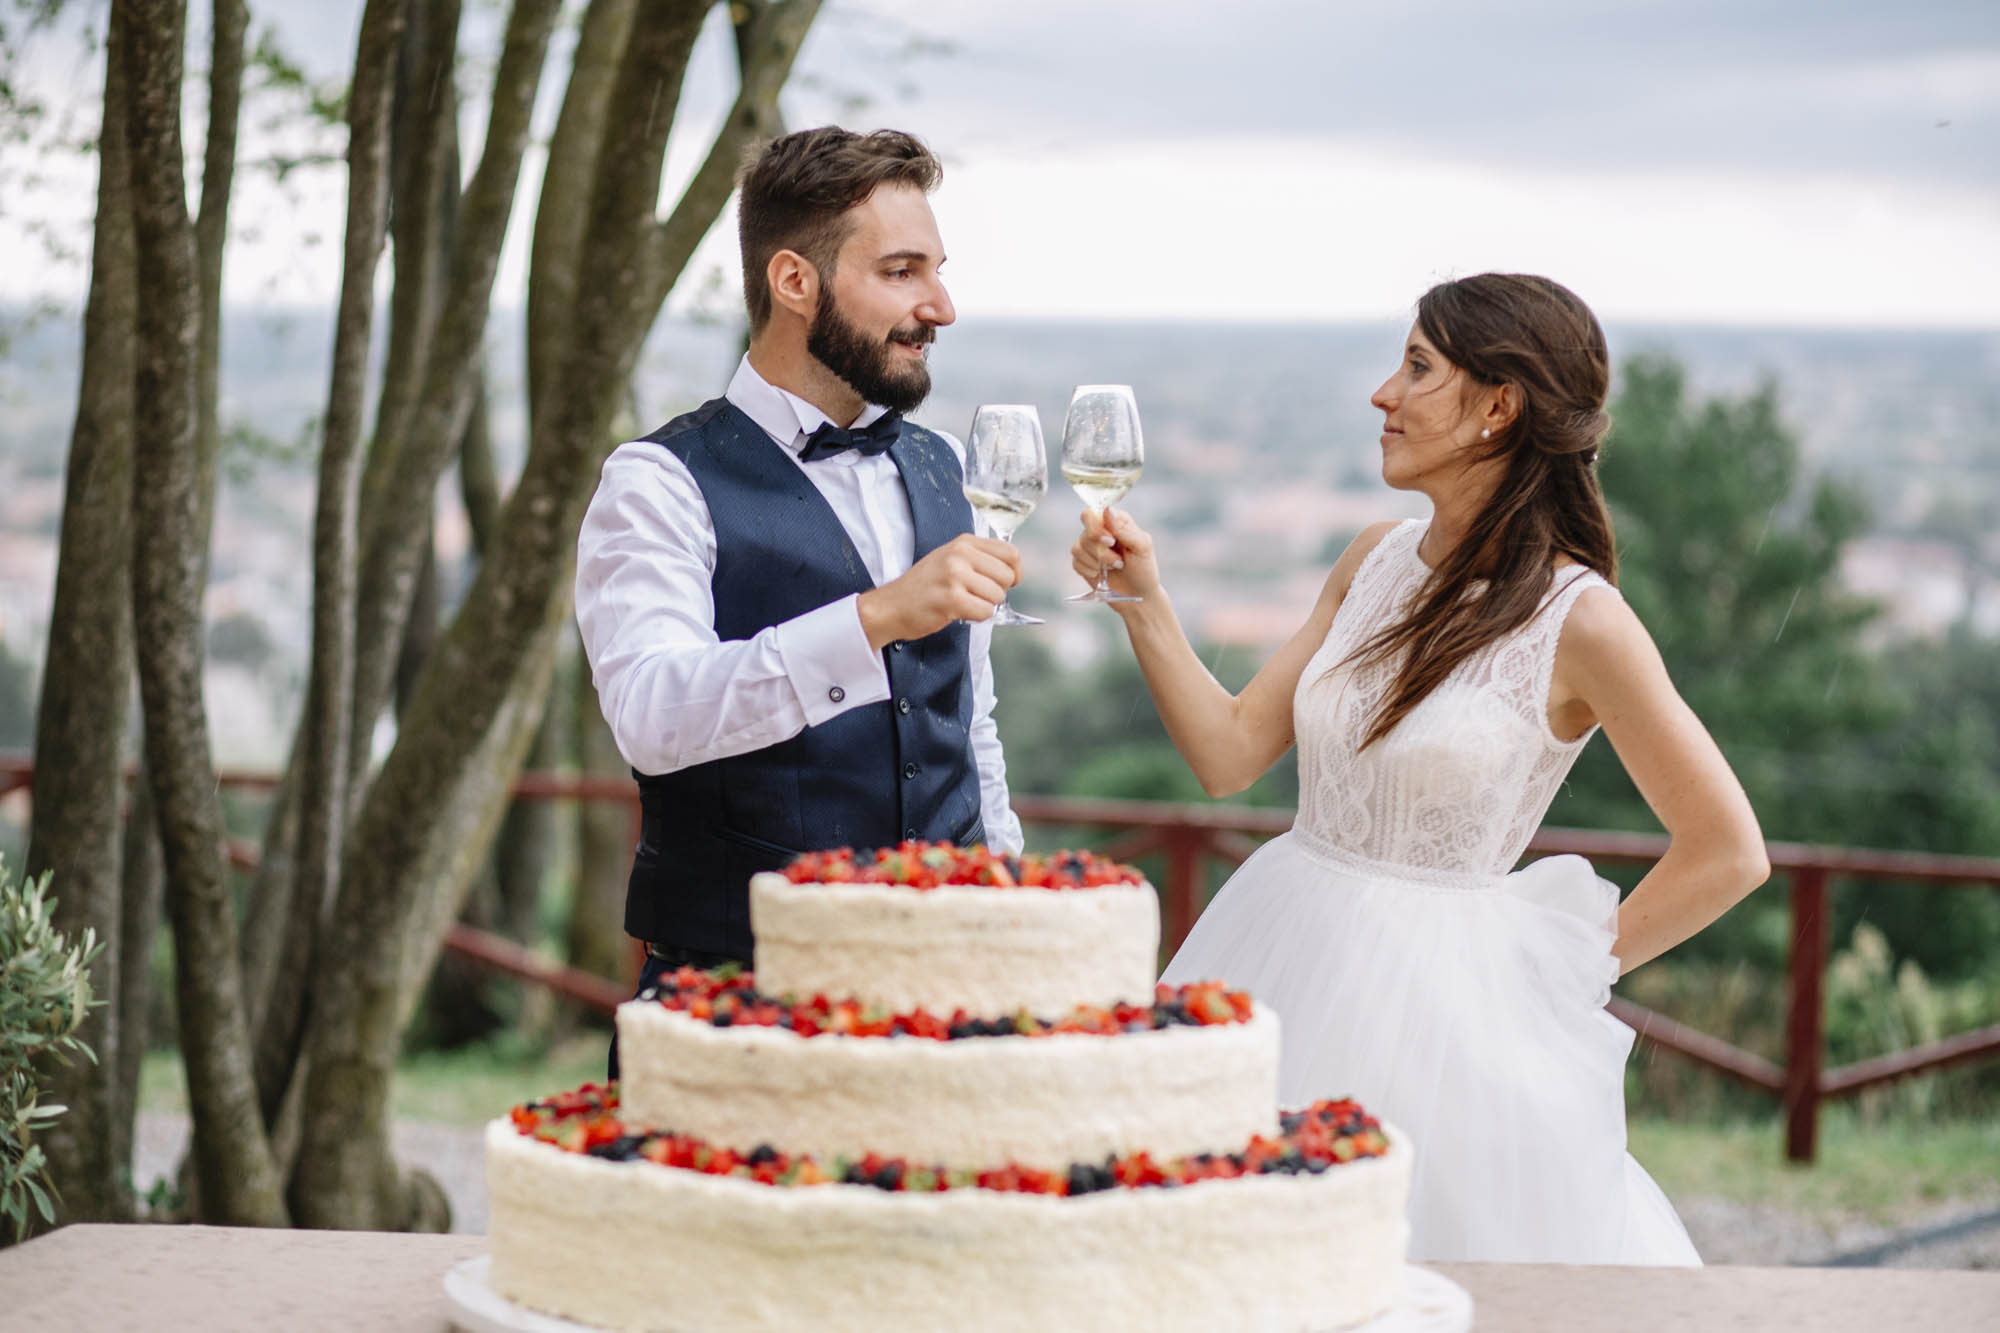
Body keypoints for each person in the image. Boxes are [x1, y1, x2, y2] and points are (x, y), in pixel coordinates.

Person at [1068, 273, 1768, 1265]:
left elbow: (1726, 852)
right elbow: (1226, 754)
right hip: (1277, 947)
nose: (1380, 395)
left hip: (1443, 1027)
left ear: (1497, 406)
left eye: (1415, 366)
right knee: (1220, 1258)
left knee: (1404, 1268)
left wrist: (1562, 964)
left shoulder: (1581, 620)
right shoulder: (1370, 560)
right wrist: (1141, 601)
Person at [576, 127, 1025, 1075]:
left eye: (937, 272)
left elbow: (967, 725)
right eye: (902, 272)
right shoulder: (658, 481)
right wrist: (873, 619)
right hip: (736, 1008)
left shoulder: (940, 465)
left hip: (950, 1002)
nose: (940, 305)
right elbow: (652, 716)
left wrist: (1012, 905)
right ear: (794, 282)